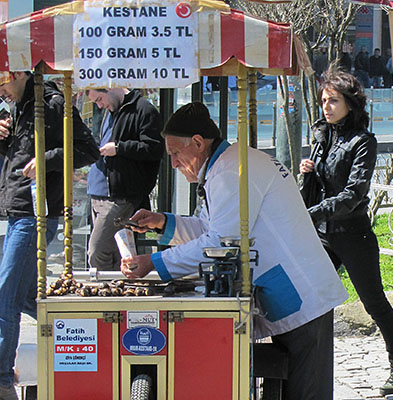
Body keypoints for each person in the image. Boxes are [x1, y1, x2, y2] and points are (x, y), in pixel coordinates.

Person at [120, 101, 348, 400]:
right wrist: (163, 223)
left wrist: (154, 262)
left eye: (175, 153)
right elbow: (213, 229)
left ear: (198, 143)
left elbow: (222, 242)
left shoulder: (232, 170)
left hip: (303, 294)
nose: (173, 163)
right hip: (290, 289)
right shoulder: (225, 167)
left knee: (305, 391)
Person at [299, 64, 393, 397]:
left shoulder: (363, 141)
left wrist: (314, 212)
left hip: (353, 233)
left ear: (350, 104)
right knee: (309, 297)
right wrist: (309, 173)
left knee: (373, 303)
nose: (326, 107)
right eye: (324, 101)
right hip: (324, 233)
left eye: (333, 101)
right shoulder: (323, 136)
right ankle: (305, 364)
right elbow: (319, 187)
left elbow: (354, 194)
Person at [0, 71, 99, 399]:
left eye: (2, 85)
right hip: (20, 211)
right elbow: (17, 156)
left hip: (35, 214)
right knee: (26, 296)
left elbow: (88, 150)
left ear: (14, 74)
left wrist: (46, 160)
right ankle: (81, 331)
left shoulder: (51, 103)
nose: (2, 93)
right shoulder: (22, 107)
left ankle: (1, 376)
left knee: (6, 295)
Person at [86, 88, 163, 271]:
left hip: (120, 195)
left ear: (110, 87)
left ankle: (107, 294)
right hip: (99, 191)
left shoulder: (143, 110)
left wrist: (120, 148)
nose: (100, 105)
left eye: (100, 98)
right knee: (115, 252)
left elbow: (154, 149)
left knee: (98, 252)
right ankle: (116, 292)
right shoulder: (111, 111)